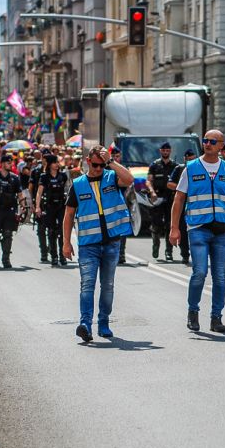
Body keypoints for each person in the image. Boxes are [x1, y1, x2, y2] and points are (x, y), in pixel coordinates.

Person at [170, 129, 225, 334]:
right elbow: (179, 199)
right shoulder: (191, 168)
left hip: (223, 229)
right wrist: (174, 228)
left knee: (220, 277)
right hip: (198, 227)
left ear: (221, 145)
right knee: (199, 272)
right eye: (205, 140)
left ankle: (216, 317)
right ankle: (193, 311)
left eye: (212, 141)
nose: (207, 143)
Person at [62, 145, 135, 342]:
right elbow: (68, 215)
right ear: (88, 162)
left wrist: (111, 161)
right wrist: (66, 243)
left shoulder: (112, 177)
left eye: (102, 165)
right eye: (95, 165)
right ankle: (85, 324)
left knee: (108, 285)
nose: (98, 169)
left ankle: (104, 322)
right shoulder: (78, 184)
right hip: (88, 245)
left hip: (111, 242)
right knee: (87, 285)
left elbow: (129, 179)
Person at [146, 142, 177, 261]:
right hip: (157, 198)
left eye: (167, 150)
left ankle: (169, 251)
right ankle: (156, 244)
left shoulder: (175, 166)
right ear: (160, 151)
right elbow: (149, 181)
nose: (165, 152)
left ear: (170, 151)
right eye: (163, 150)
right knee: (156, 224)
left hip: (170, 198)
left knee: (170, 225)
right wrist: (152, 191)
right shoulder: (154, 165)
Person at [36, 154, 69, 266]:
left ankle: (62, 256)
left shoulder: (63, 176)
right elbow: (39, 193)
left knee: (62, 231)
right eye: (55, 162)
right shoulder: (44, 177)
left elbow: (68, 190)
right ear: (50, 164)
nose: (57, 165)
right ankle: (54, 256)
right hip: (49, 206)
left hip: (61, 206)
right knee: (51, 232)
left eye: (57, 162)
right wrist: (37, 207)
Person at [167, 148, 197, 266]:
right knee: (183, 230)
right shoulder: (179, 169)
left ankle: (197, 254)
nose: (189, 161)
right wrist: (183, 188)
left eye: (192, 159)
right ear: (184, 159)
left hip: (196, 204)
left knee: (197, 230)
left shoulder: (200, 168)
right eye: (188, 159)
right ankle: (185, 254)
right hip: (182, 203)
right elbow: (170, 184)